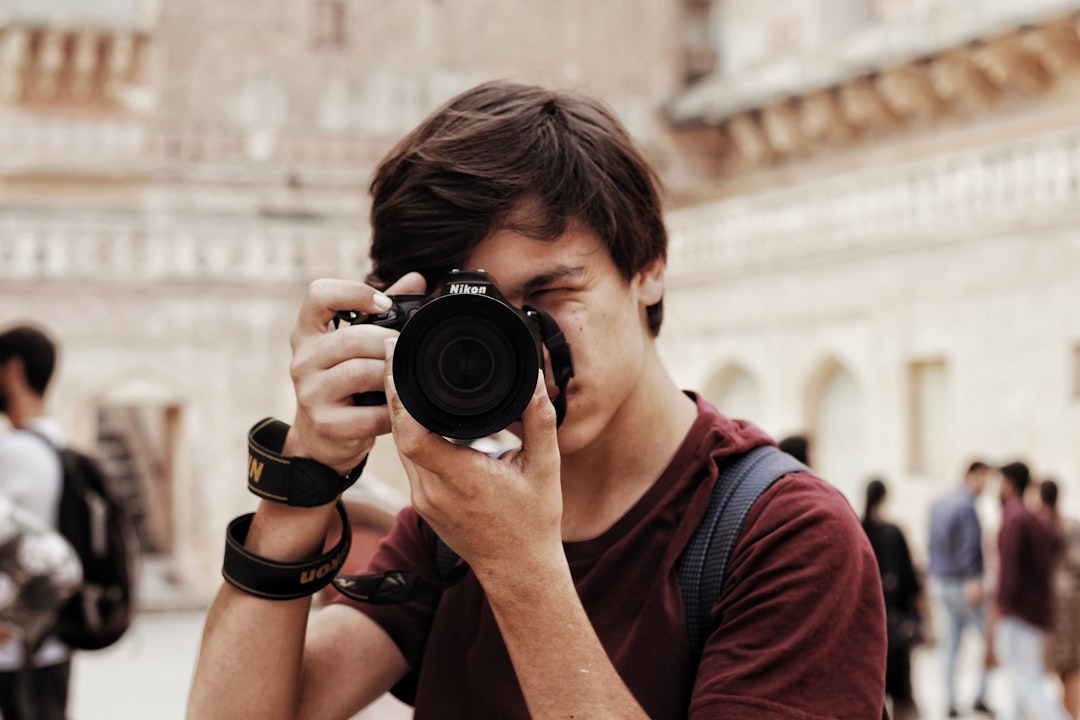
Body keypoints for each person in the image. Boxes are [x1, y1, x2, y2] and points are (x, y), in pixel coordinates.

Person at [188, 80, 887, 719]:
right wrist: (300, 486)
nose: (528, 347)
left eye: (551, 294)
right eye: (476, 319)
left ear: (648, 268)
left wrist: (519, 567)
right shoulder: (457, 521)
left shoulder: (787, 537)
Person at [0, 323, 76, 720]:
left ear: (12, 370)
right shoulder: (58, 444)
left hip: (12, 653)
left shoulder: (12, 453)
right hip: (52, 644)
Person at [987, 461, 1069, 720]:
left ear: (1009, 484)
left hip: (1019, 616)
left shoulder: (1016, 519)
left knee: (1028, 682)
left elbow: (1008, 575)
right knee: (1017, 688)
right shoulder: (1034, 518)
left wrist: (998, 613)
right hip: (1036, 614)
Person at [927, 460, 994, 717]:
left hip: (941, 582)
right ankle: (979, 696)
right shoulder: (966, 505)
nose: (985, 487)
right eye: (984, 479)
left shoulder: (939, 503)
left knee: (950, 646)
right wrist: (973, 578)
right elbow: (969, 545)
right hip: (964, 584)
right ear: (973, 475)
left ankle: (951, 702)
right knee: (988, 641)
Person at [863, 477, 924, 719]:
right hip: (896, 624)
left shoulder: (858, 528)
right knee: (902, 691)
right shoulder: (893, 532)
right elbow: (910, 581)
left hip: (868, 625)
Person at [1039, 478, 1080, 718]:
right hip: (1068, 603)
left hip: (1055, 603)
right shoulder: (1068, 525)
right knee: (1070, 667)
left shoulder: (1044, 526)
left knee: (1062, 666)